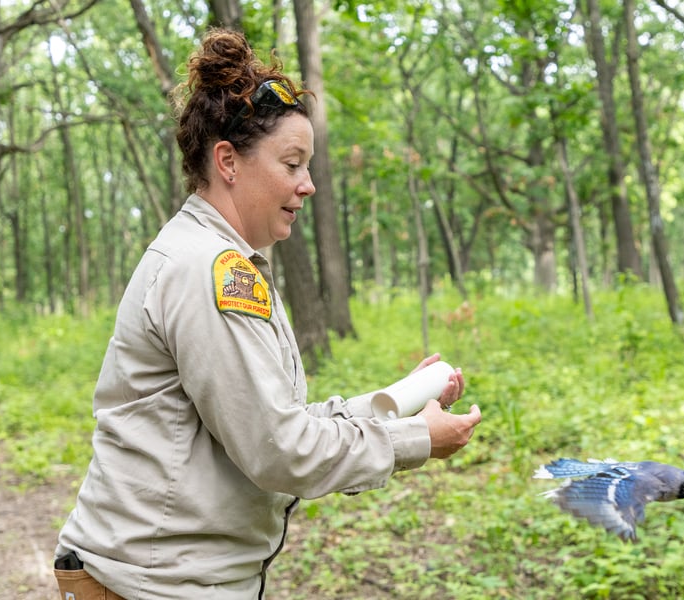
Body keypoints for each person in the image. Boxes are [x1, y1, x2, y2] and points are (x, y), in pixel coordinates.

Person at [53, 28, 482, 600]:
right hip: (147, 583)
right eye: (292, 163)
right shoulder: (208, 270)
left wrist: (394, 403)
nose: (307, 185)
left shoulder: (225, 262)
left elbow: (273, 422)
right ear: (228, 161)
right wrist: (413, 441)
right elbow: (277, 451)